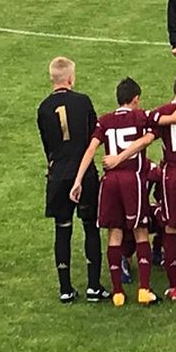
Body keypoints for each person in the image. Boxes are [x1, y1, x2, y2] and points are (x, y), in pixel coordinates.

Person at [103, 73, 176, 306]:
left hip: (169, 176)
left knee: (171, 229)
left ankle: (174, 288)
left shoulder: (158, 111)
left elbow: (149, 138)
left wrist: (119, 157)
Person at [69, 78, 160, 308]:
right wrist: (122, 158)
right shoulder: (140, 117)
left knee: (114, 232)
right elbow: (148, 138)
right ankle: (144, 290)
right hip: (132, 180)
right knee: (140, 231)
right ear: (136, 99)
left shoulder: (105, 120)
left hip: (109, 182)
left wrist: (78, 180)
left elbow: (91, 150)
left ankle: (118, 292)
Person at [36, 57, 110, 304]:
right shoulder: (83, 102)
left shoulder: (43, 108)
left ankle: (65, 288)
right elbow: (94, 136)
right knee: (90, 226)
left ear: (52, 79)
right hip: (84, 172)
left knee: (62, 229)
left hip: (58, 175)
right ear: (70, 78)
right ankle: (93, 286)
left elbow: (48, 146)